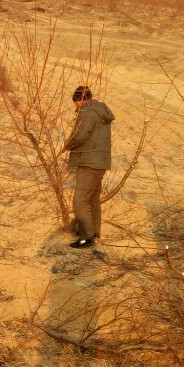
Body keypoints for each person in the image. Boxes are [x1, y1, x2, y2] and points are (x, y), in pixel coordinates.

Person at [63, 85, 115, 249]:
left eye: (76, 104)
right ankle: (94, 233)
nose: (76, 108)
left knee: (80, 201)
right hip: (99, 162)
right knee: (92, 199)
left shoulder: (88, 113)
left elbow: (80, 135)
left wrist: (66, 146)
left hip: (89, 162)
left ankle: (86, 237)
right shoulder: (100, 111)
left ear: (81, 100)